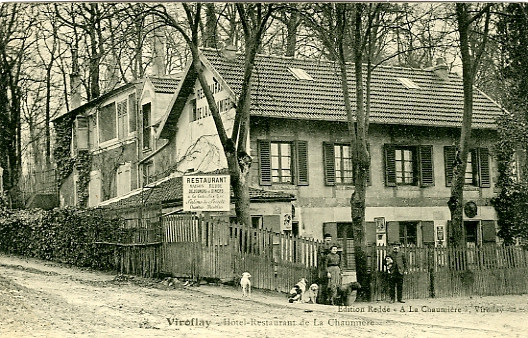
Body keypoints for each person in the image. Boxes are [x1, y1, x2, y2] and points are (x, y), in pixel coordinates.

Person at [317, 233, 334, 304]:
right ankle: (321, 299)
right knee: (323, 282)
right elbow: (321, 256)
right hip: (322, 266)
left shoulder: (331, 246)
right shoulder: (321, 246)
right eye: (327, 240)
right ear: (324, 239)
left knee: (330, 283)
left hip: (329, 265)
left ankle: (329, 298)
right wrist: (328, 255)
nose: (328, 241)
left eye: (329, 240)